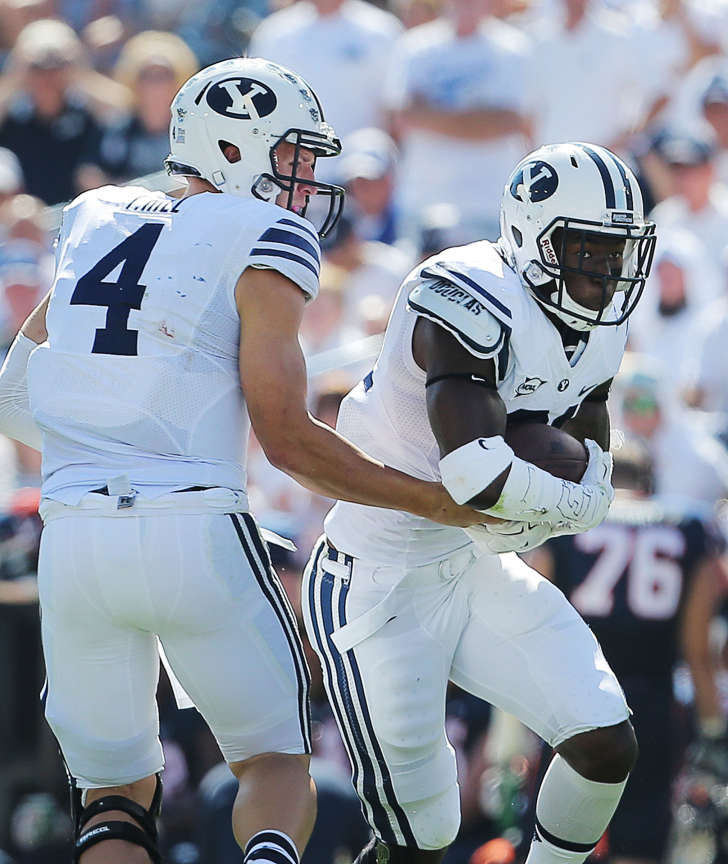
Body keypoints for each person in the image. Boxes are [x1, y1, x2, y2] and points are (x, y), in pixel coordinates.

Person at [0, 57, 477, 864]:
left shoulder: (93, 214)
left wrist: (114, 450)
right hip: (193, 524)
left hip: (75, 535)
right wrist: (434, 501)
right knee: (276, 766)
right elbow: (287, 438)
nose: (304, 178)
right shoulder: (266, 234)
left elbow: (17, 392)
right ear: (234, 149)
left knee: (113, 793)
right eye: (290, 155)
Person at [302, 141, 658, 864]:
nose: (604, 270)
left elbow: (590, 458)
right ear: (532, 236)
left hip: (468, 564)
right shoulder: (463, 289)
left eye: (616, 250)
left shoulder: (598, 325)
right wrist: (568, 504)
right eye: (586, 247)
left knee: (603, 740)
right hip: (376, 580)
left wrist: (575, 497)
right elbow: (474, 473)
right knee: (422, 839)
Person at [526, 444, 728, 864]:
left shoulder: (567, 521)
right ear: (650, 480)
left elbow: (529, 621)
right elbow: (697, 646)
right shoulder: (688, 525)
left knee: (555, 842)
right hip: (650, 706)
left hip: (572, 702)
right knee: (640, 842)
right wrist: (711, 726)